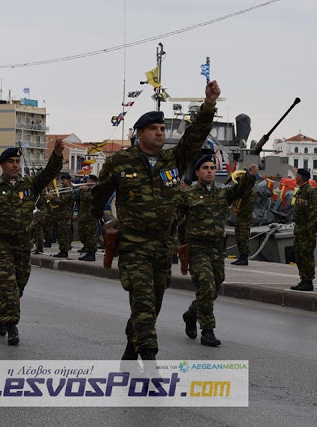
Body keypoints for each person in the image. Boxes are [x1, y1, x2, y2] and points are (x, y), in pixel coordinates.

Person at [91, 80, 220, 363]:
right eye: (154, 129)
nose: (160, 133)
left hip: (164, 244)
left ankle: (132, 343)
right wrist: (100, 232)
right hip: (134, 243)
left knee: (154, 302)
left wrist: (209, 105)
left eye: (162, 129)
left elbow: (195, 136)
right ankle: (148, 353)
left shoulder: (173, 160)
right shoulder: (120, 162)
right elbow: (96, 197)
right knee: (143, 299)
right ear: (140, 133)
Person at [0, 143, 64, 345]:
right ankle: (12, 326)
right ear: (2, 165)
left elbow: (49, 172)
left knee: (19, 287)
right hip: (2, 246)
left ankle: (1, 310)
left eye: (17, 162)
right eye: (11, 162)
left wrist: (57, 154)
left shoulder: (29, 185)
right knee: (8, 286)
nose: (15, 165)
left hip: (24, 245)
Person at [178, 158, 258, 346]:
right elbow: (174, 220)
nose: (210, 171)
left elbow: (240, 190)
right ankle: (207, 331)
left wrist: (249, 177)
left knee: (214, 288)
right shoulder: (187, 194)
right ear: (197, 172)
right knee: (206, 286)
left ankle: (190, 315)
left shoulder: (223, 193)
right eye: (205, 168)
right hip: (197, 248)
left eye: (212, 168)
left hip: (216, 248)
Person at [290, 169, 317, 291]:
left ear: (302, 177)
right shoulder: (300, 191)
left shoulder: (309, 192)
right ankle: (303, 279)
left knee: (306, 256)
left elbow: (313, 213)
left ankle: (308, 281)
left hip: (306, 230)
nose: (295, 178)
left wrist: (311, 230)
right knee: (299, 255)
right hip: (299, 229)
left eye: (297, 176)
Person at [231, 185, 257, 266]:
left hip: (245, 217)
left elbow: (249, 206)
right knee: (238, 236)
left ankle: (244, 257)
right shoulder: (241, 191)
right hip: (239, 217)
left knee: (243, 236)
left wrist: (240, 210)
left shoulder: (251, 192)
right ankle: (241, 256)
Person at [53, 173, 75, 258]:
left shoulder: (69, 191)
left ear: (69, 181)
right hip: (59, 215)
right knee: (60, 233)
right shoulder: (62, 190)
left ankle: (64, 250)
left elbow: (61, 201)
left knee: (65, 234)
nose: (62, 182)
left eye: (63, 180)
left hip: (65, 216)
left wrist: (52, 197)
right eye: (61, 180)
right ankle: (62, 249)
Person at [77, 175, 98, 261]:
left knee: (90, 235)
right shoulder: (87, 190)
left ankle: (91, 253)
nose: (86, 182)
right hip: (83, 215)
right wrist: (80, 192)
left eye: (88, 181)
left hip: (90, 216)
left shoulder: (96, 190)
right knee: (84, 234)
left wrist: (83, 191)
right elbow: (79, 200)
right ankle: (87, 250)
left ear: (92, 181)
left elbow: (90, 198)